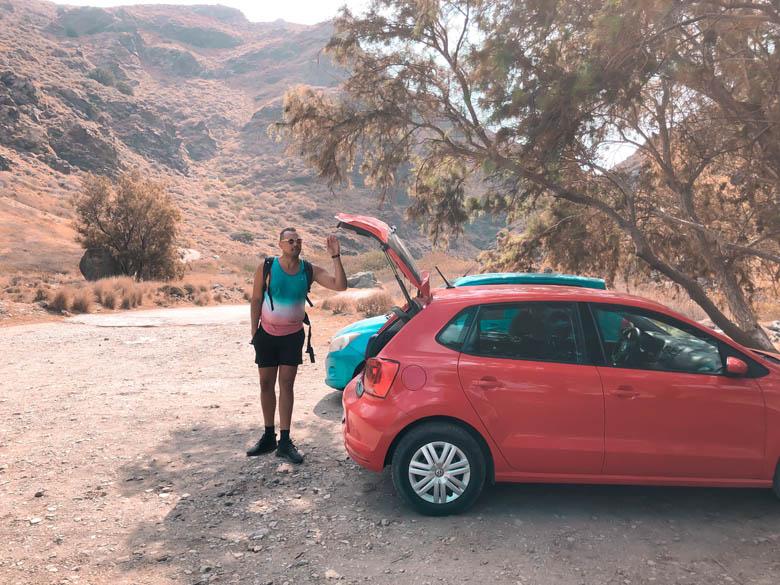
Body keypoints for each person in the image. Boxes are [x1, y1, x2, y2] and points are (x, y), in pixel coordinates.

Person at [246, 227, 347, 463]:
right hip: (267, 335)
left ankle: (284, 441)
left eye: (298, 241)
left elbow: (340, 285)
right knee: (265, 384)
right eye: (290, 241)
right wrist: (254, 330)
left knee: (287, 385)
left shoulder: (308, 270)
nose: (295, 244)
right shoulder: (267, 266)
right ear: (280, 244)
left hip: (292, 336)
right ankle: (268, 436)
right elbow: (256, 298)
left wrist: (336, 256)